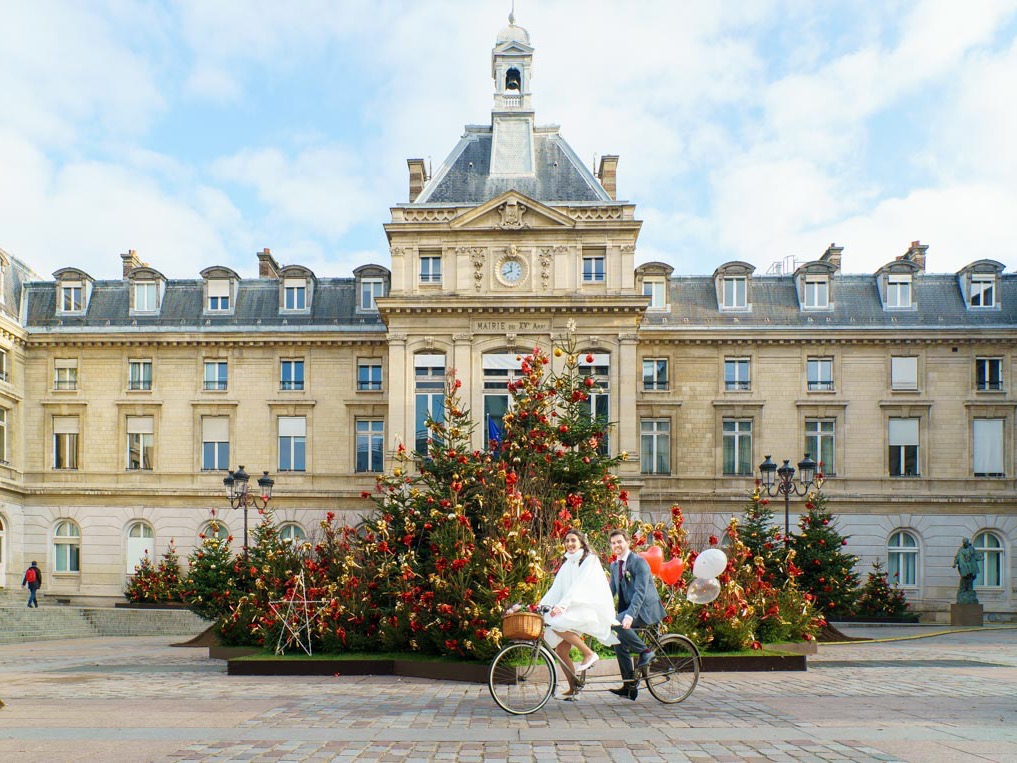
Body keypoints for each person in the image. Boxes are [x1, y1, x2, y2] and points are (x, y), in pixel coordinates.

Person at [539, 528, 618, 699]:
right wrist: (543, 605)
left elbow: (580, 586)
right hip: (573, 608)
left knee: (557, 624)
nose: (569, 544)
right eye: (567, 541)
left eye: (573, 540)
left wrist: (562, 606)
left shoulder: (590, 560)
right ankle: (573, 689)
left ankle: (589, 653)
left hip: (588, 607)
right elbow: (557, 588)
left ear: (581, 542)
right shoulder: (568, 563)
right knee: (561, 650)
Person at [608, 528, 665, 700]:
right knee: (618, 642)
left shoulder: (639, 563)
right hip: (629, 609)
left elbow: (640, 592)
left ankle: (645, 651)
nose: (616, 545)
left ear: (627, 542)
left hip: (645, 609)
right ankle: (629, 686)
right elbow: (610, 591)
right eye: (613, 543)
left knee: (616, 622)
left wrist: (629, 616)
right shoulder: (614, 565)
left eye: (619, 541)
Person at [953, 537, 980, 603]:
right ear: (963, 543)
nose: (966, 544)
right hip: (964, 567)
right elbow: (957, 557)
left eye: (966, 542)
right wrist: (955, 563)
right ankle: (963, 590)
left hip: (971, 566)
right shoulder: (961, 550)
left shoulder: (971, 548)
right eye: (964, 543)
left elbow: (976, 555)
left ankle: (970, 590)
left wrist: (980, 557)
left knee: (971, 578)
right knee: (964, 579)